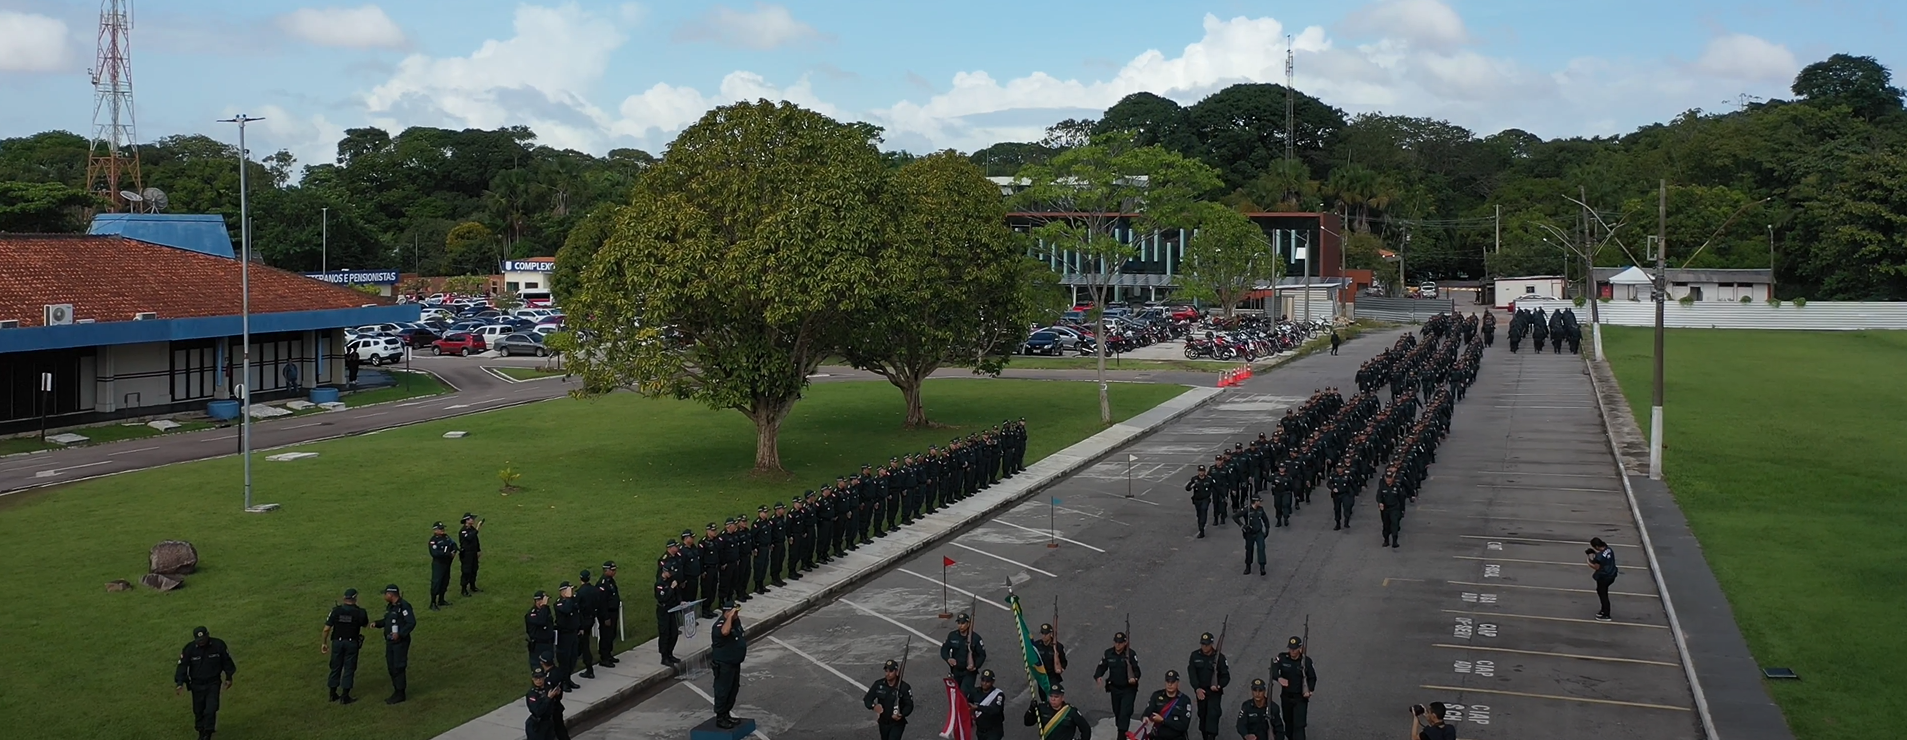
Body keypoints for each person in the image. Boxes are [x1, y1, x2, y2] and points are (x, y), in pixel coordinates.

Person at [174, 626, 236, 740]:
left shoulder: (218, 645)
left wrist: (229, 677)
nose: (202, 643)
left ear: (208, 635)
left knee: (211, 709)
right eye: (199, 641)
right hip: (196, 684)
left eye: (203, 640)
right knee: (198, 710)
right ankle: (201, 730)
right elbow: (182, 666)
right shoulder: (189, 649)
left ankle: (208, 732)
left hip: (213, 682)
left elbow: (227, 661)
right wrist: (179, 682)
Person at [321, 588, 370, 704]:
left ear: (344, 598)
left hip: (337, 642)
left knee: (335, 667)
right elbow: (365, 624)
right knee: (349, 668)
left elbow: (326, 629)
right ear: (355, 598)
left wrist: (324, 643)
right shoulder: (360, 612)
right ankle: (345, 696)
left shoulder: (335, 611)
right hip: (351, 642)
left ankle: (332, 694)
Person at [370, 584, 416, 704]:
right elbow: (388, 620)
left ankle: (400, 693)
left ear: (390, 594)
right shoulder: (391, 607)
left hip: (400, 643)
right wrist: (377, 623)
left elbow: (411, 623)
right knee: (391, 666)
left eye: (385, 594)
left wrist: (400, 634)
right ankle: (396, 690)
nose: (384, 596)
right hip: (390, 642)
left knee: (398, 666)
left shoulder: (404, 606)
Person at [1091, 631, 1141, 736]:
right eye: (1116, 642)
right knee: (1117, 711)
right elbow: (1102, 666)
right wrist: (1098, 676)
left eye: (1120, 643)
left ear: (1125, 643)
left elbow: (1137, 670)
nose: (1118, 645)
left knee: (1125, 712)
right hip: (1115, 688)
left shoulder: (1130, 654)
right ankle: (1121, 728)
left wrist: (1134, 678)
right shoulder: (1108, 653)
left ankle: (1121, 734)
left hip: (1128, 689)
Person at [710, 601, 748, 729]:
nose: (737, 614)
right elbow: (725, 632)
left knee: (733, 690)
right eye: (735, 612)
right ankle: (720, 717)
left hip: (734, 663)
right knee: (723, 691)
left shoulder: (735, 622)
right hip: (724, 665)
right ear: (727, 612)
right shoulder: (720, 625)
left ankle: (727, 714)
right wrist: (730, 617)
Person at [1186, 632, 1230, 740]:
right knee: (1203, 714)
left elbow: (1226, 676)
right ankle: (1205, 735)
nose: (1205, 647)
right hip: (1201, 691)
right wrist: (1197, 688)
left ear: (1211, 644)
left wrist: (1219, 686)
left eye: (1207, 644)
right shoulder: (1195, 656)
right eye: (1203, 644)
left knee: (1213, 715)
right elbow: (1192, 674)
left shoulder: (1220, 658)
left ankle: (1211, 736)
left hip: (1214, 692)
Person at [1272, 637, 1317, 740]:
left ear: (1300, 649)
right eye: (1290, 648)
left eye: (1295, 649)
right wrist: (1279, 678)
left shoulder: (1306, 661)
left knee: (1299, 726)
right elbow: (1273, 669)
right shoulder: (1282, 658)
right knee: (1288, 723)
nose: (1292, 651)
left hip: (1300, 698)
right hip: (1286, 697)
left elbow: (1312, 678)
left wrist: (1310, 690)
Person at [863, 659, 915, 740]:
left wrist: (901, 714)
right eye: (886, 671)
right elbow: (867, 699)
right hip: (883, 723)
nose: (888, 674)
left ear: (896, 672)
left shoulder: (904, 687)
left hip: (897, 723)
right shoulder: (879, 684)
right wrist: (874, 706)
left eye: (891, 671)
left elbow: (909, 705)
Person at [941, 612, 987, 696]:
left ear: (968, 623)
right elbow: (944, 649)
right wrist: (948, 658)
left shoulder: (976, 638)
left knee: (964, 693)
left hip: (969, 673)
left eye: (963, 623)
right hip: (956, 671)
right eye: (958, 623)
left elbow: (982, 655)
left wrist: (975, 666)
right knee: (956, 694)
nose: (960, 626)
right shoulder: (952, 636)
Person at [1021, 684, 1090, 739]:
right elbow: (1028, 722)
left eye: (1056, 697)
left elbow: (1086, 730)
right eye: (1051, 696)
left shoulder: (1071, 712)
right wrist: (1031, 709)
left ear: (1062, 698)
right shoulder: (1042, 708)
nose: (1053, 699)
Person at [1143, 670, 1194, 740]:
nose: (1170, 684)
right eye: (1168, 682)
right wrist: (1145, 718)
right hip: (1157, 737)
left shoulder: (1184, 700)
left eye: (1172, 682)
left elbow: (1183, 725)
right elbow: (1147, 713)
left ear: (1178, 683)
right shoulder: (1156, 695)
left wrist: (1163, 721)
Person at [553, 582, 586, 689]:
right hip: (564, 635)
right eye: (569, 590)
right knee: (565, 660)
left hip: (573, 634)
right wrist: (568, 598)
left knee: (573, 658)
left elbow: (578, 614)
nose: (572, 592)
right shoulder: (559, 603)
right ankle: (563, 682)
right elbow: (566, 610)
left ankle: (568, 679)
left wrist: (580, 627)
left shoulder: (572, 601)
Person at [655, 559, 682, 666]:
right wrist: (671, 588)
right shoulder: (660, 584)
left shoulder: (672, 580)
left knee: (674, 633)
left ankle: (670, 653)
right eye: (669, 573)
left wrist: (680, 601)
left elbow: (677, 593)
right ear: (664, 572)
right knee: (665, 633)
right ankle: (664, 656)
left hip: (672, 609)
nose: (671, 575)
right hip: (664, 610)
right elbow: (663, 598)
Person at [426, 522, 458, 610]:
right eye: (440, 529)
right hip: (438, 564)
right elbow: (435, 553)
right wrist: (448, 554)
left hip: (447, 563)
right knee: (436, 583)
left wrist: (454, 551)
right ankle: (433, 602)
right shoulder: (433, 541)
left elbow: (453, 544)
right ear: (435, 530)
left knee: (445, 581)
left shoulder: (446, 537)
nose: (443, 530)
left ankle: (441, 599)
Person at [1587, 537, 1619, 621]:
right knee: (1602, 591)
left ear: (1597, 546)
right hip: (1612, 574)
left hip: (1604, 576)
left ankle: (1606, 614)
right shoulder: (1609, 549)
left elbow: (1596, 567)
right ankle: (1603, 610)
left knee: (1603, 594)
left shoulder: (1599, 556)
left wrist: (1588, 560)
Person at [969, 669, 1007, 740]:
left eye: (987, 681)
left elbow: (994, 710)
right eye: (983, 680)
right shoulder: (975, 692)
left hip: (993, 731)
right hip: (980, 731)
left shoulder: (998, 695)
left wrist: (977, 707)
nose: (984, 683)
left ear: (993, 682)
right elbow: (968, 703)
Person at [597, 560, 622, 667]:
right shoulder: (602, 584)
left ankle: (609, 654)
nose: (614, 572)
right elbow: (602, 603)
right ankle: (604, 657)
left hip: (613, 612)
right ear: (606, 570)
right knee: (606, 635)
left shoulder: (611, 581)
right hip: (607, 614)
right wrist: (605, 617)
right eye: (612, 570)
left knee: (611, 634)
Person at [524, 667, 560, 740]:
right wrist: (548, 698)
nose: (538, 680)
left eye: (540, 678)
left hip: (548, 722)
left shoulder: (548, 688)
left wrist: (557, 695)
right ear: (532, 679)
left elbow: (554, 704)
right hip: (537, 725)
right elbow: (538, 711)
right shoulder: (532, 694)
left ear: (544, 678)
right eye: (536, 678)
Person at [524, 590, 556, 670]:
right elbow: (541, 621)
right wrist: (544, 606)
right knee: (538, 671)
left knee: (549, 667)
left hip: (548, 644)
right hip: (538, 646)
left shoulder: (545, 610)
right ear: (538, 601)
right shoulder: (532, 614)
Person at [1241, 496, 1270, 576]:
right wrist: (1242, 526)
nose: (1260, 502)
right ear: (1255, 501)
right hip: (1249, 533)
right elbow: (1235, 517)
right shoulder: (1247, 510)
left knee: (1261, 548)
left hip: (1259, 532)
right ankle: (1248, 566)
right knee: (1249, 549)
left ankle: (1262, 566)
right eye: (1258, 501)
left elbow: (1265, 520)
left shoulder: (1260, 509)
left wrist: (1267, 530)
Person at [457, 514, 483, 596]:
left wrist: (478, 550)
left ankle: (473, 586)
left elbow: (475, 540)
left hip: (473, 552)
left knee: (474, 569)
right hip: (466, 554)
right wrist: (478, 528)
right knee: (466, 571)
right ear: (467, 520)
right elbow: (469, 537)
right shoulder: (463, 531)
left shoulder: (471, 529)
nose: (473, 520)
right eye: (471, 519)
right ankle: (463, 589)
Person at [1185, 466, 1213, 538]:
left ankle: (1201, 529)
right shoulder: (1194, 479)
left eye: (1202, 471)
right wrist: (1191, 486)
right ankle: (1201, 527)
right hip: (1197, 500)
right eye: (1200, 471)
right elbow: (1187, 488)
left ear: (1204, 472)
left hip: (1205, 499)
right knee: (1199, 514)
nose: (1201, 472)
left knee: (1203, 511)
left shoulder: (1209, 479)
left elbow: (1215, 488)